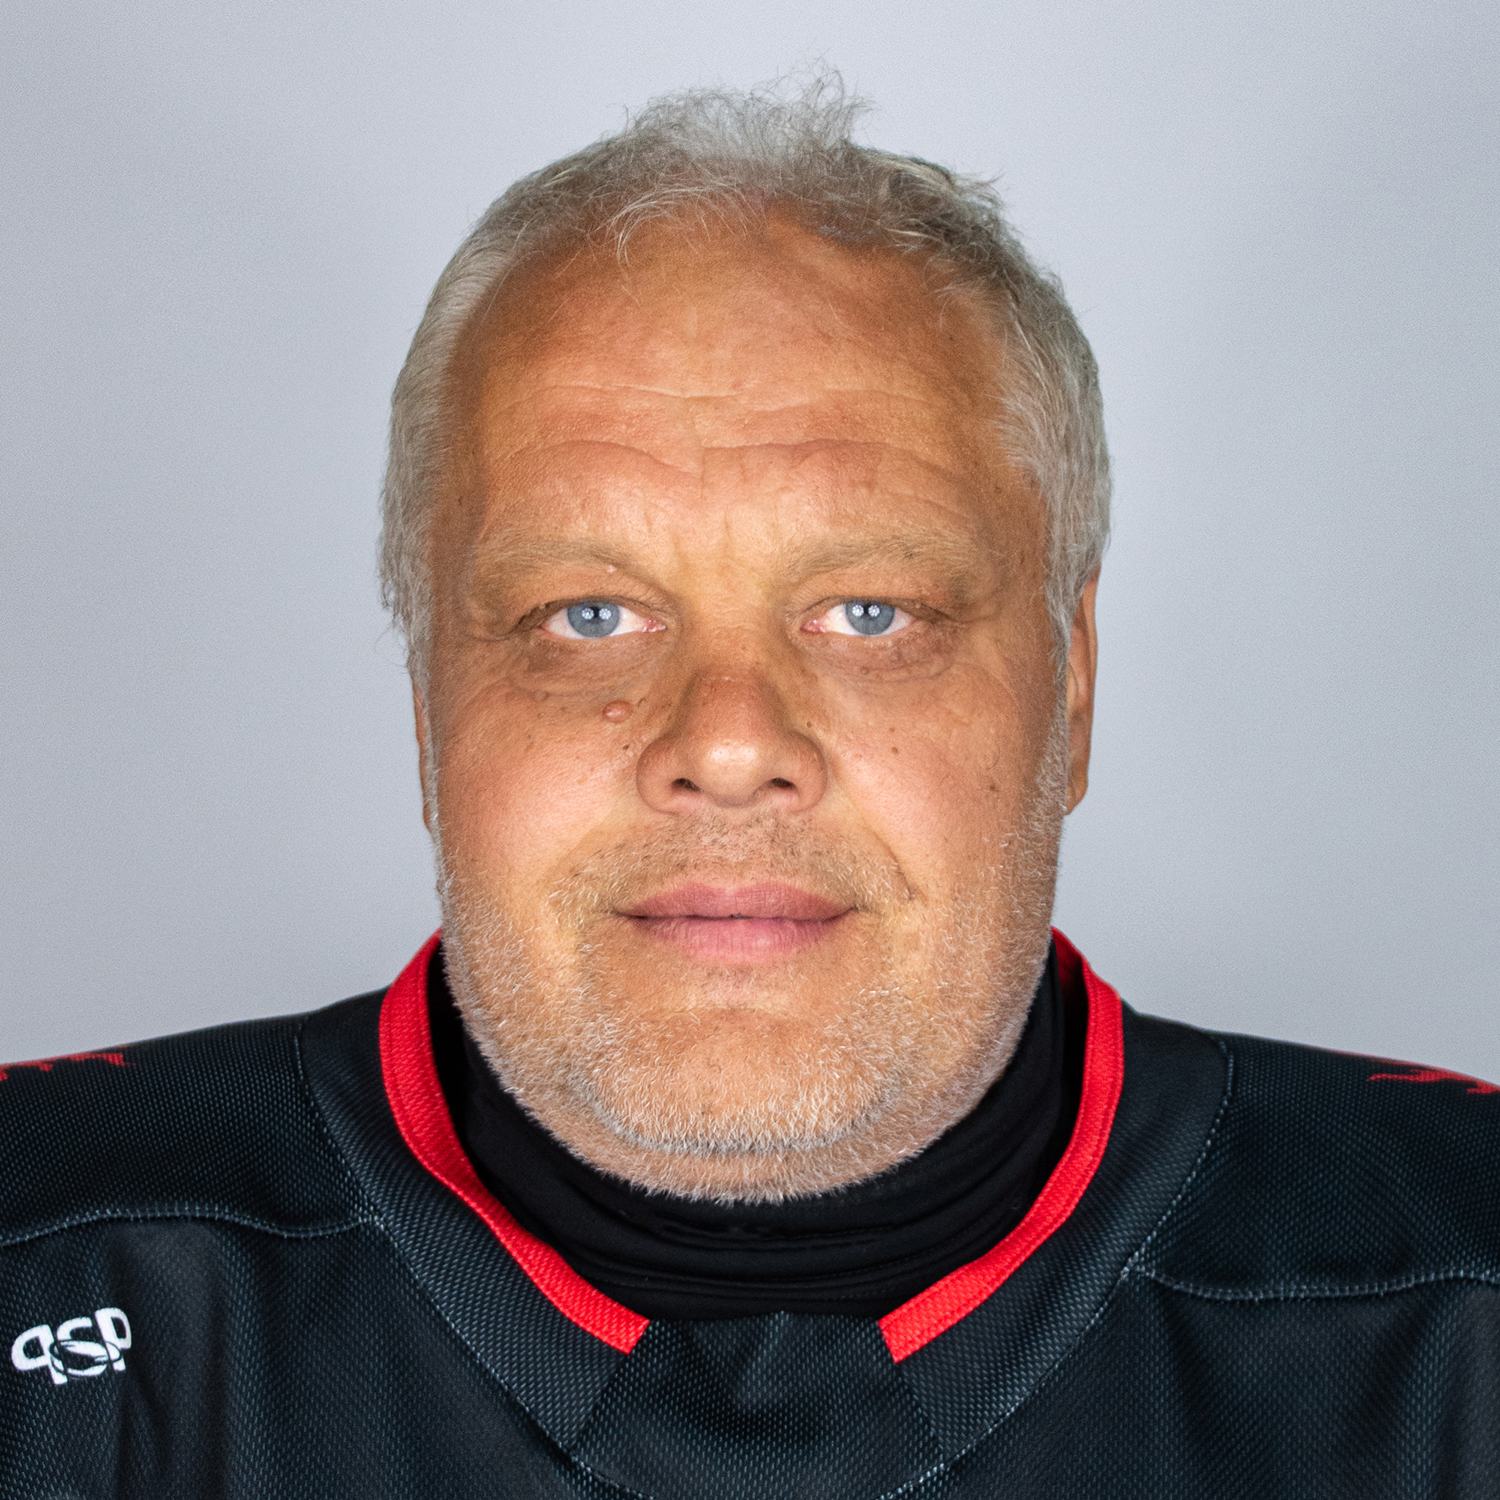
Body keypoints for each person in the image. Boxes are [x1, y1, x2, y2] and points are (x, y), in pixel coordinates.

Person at [3, 77, 1497, 1499]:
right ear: (427, 699)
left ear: (1072, 682)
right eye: (588, 614)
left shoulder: (1461, 1297)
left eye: (871, 612)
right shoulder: (45, 1253)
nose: (725, 745)